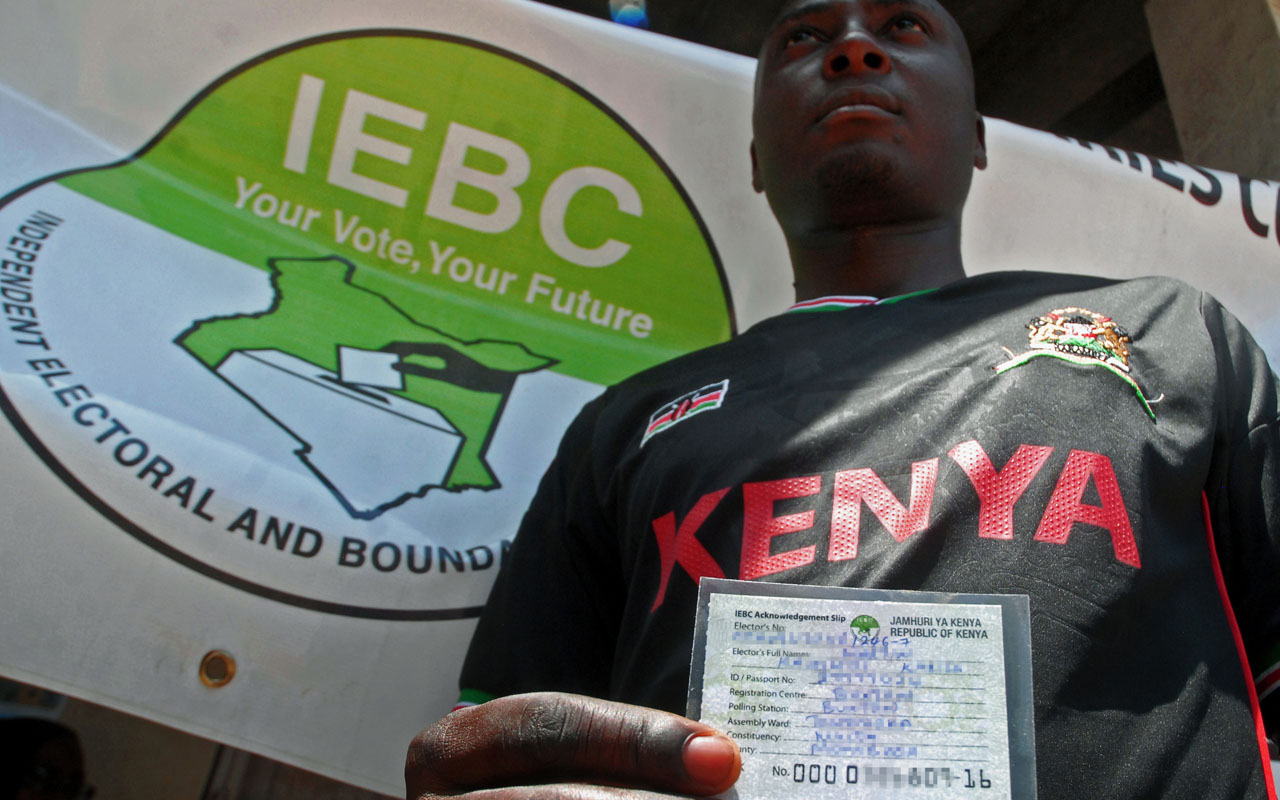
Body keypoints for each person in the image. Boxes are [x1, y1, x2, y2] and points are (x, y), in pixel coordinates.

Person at [405, 0, 1280, 797]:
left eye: (904, 28)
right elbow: (499, 748)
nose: (854, 50)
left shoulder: (1169, 330)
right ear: (756, 160)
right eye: (804, 37)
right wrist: (482, 770)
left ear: (978, 138)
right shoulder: (624, 422)